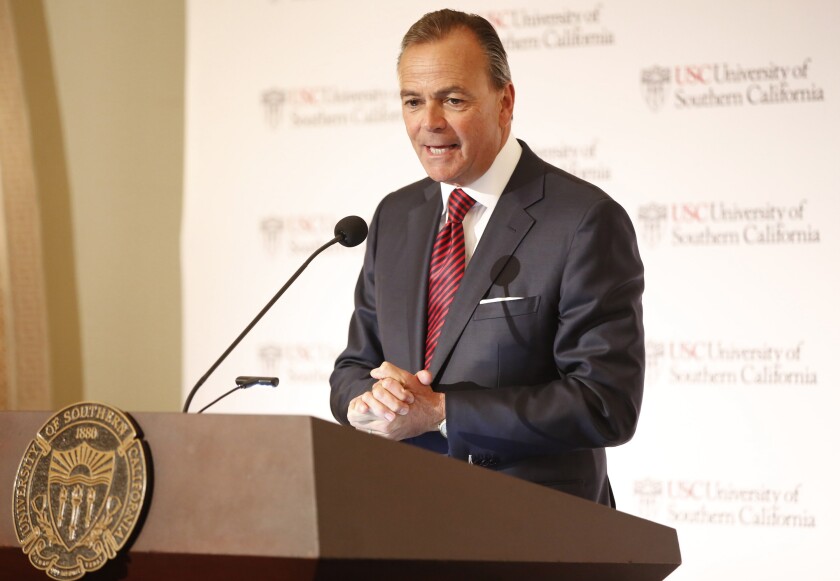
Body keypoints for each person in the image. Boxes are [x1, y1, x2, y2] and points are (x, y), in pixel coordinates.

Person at [329, 9, 644, 507]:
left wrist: (442, 411)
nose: (429, 123)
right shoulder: (396, 215)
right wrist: (367, 402)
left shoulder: (583, 220)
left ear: (505, 101)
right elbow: (354, 366)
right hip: (400, 517)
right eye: (413, 101)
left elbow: (605, 402)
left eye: (452, 100)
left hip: (534, 527)